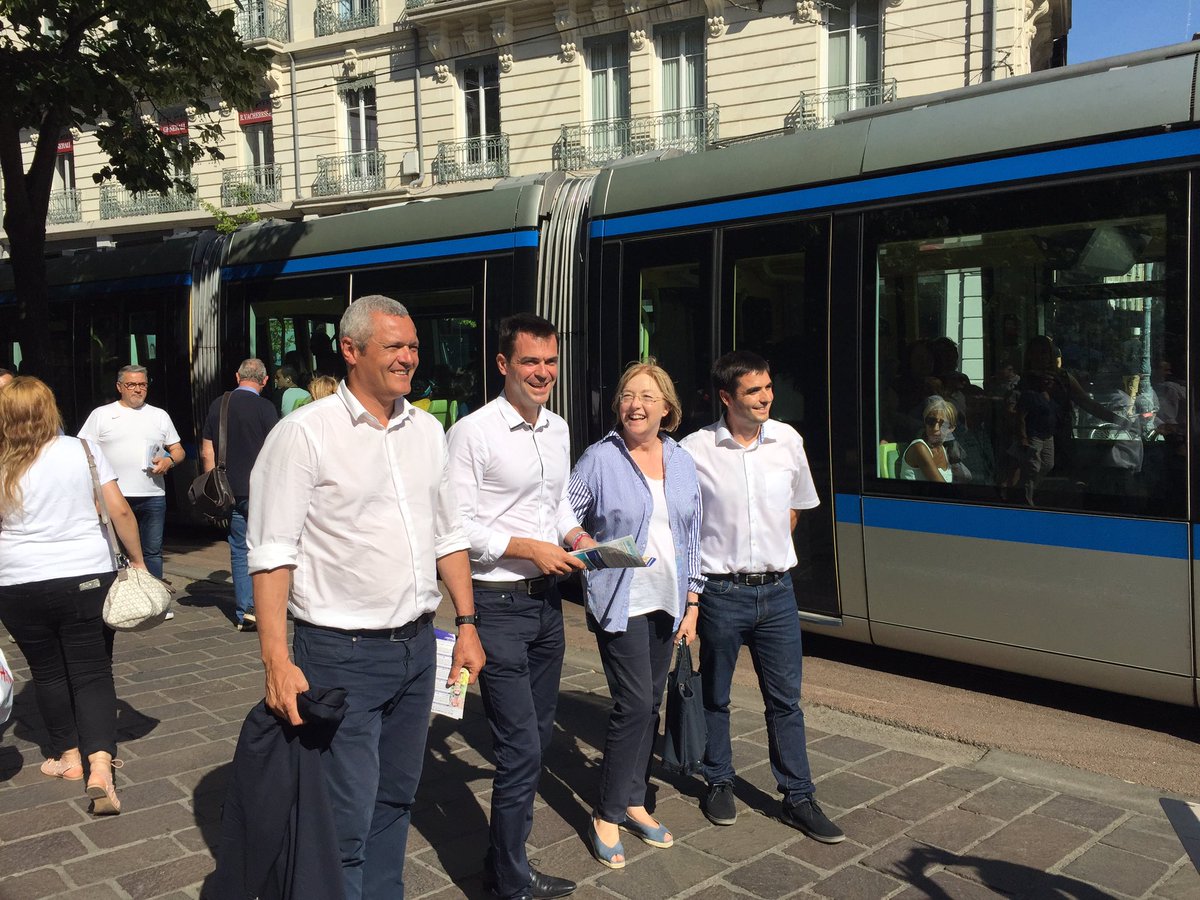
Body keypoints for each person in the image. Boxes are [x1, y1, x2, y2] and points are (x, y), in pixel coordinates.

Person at [246, 295, 484, 900]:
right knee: (342, 823)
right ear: (350, 351)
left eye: (412, 346)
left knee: (396, 800)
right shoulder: (303, 433)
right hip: (339, 654)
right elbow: (273, 553)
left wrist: (468, 622)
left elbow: (448, 535)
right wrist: (277, 660)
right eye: (394, 347)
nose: (408, 358)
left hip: (416, 647)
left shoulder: (428, 430)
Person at [447, 313, 586, 900]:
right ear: (503, 364)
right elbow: (452, 529)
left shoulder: (557, 429)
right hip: (495, 604)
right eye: (530, 362)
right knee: (521, 745)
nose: (543, 373)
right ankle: (508, 877)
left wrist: (574, 536)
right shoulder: (471, 434)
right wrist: (525, 548)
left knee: (536, 738)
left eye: (550, 361)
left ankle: (505, 863)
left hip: (545, 607)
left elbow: (555, 509)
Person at [679, 350, 844, 844]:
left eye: (768, 388)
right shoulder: (694, 450)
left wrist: (766, 551)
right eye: (753, 391)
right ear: (727, 397)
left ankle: (798, 796)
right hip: (721, 594)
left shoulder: (788, 440)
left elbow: (796, 507)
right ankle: (719, 781)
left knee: (786, 701)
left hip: (777, 593)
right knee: (716, 694)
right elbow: (685, 527)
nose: (766, 397)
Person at [566, 360, 703, 869]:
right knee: (635, 704)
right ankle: (606, 811)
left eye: (647, 396)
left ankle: (635, 799)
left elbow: (695, 535)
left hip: (668, 601)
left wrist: (693, 601)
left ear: (666, 407)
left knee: (650, 706)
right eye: (627, 394)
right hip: (620, 598)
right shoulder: (601, 458)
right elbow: (565, 512)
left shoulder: (682, 459)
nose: (635, 404)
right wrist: (583, 543)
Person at [0, 377, 147, 816]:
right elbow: (118, 509)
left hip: (16, 581)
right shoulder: (81, 450)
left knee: (46, 672)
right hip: (85, 575)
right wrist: (138, 562)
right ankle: (100, 766)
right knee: (92, 671)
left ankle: (67, 758)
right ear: (49, 410)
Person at [78, 365, 184, 585]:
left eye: (142, 384)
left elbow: (178, 450)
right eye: (131, 384)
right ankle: (119, 601)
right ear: (120, 387)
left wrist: (169, 461)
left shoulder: (159, 415)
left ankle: (156, 601)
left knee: (152, 552)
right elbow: (83, 452)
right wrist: (94, 495)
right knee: (114, 551)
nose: (137, 389)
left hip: (153, 495)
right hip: (114, 497)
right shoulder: (101, 415)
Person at [200, 359, 278, 630]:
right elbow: (276, 451)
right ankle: (268, 607)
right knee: (266, 547)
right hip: (261, 490)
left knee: (238, 549)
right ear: (265, 381)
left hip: (229, 490)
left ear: (237, 376)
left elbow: (207, 450)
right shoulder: (266, 408)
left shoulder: (219, 405)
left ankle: (245, 611)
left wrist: (213, 485)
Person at [899, 396, 955, 483]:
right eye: (931, 421)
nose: (935, 428)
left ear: (951, 428)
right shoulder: (919, 448)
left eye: (942, 424)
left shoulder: (942, 448)